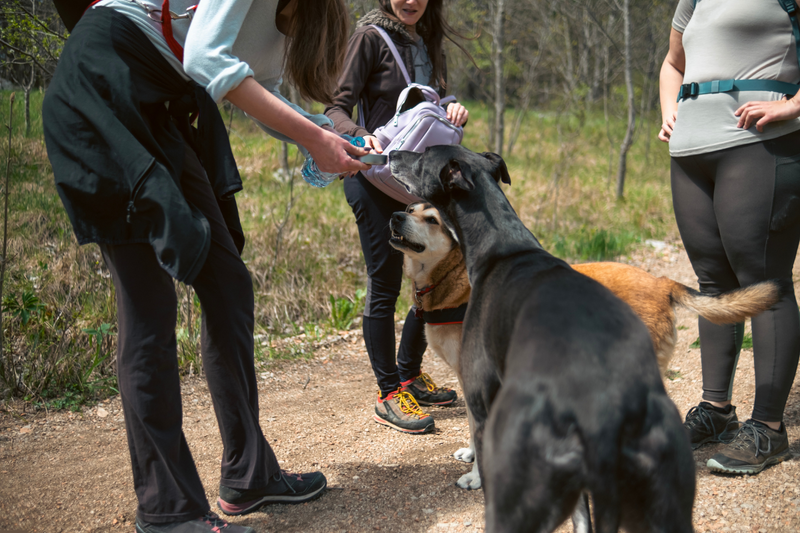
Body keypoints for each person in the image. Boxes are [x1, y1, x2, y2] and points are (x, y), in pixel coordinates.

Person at [44, 0, 370, 531]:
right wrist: (315, 138)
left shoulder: (298, 20)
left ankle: (248, 473)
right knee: (148, 306)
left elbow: (260, 91)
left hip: (162, 104)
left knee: (227, 283)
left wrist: (328, 136)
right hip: (103, 86)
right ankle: (167, 511)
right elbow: (204, 57)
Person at [658, 0, 800, 475]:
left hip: (758, 143)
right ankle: (717, 411)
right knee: (714, 284)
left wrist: (794, 104)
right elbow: (673, 62)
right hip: (690, 152)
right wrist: (669, 110)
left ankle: (769, 429)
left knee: (764, 282)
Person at [324, 0, 469, 434]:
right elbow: (335, 108)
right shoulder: (369, 38)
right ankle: (389, 393)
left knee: (431, 278)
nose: (411, 0)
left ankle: (409, 375)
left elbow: (432, 100)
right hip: (374, 178)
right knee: (385, 283)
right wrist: (359, 135)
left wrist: (453, 107)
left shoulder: (427, 40)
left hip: (417, 183)